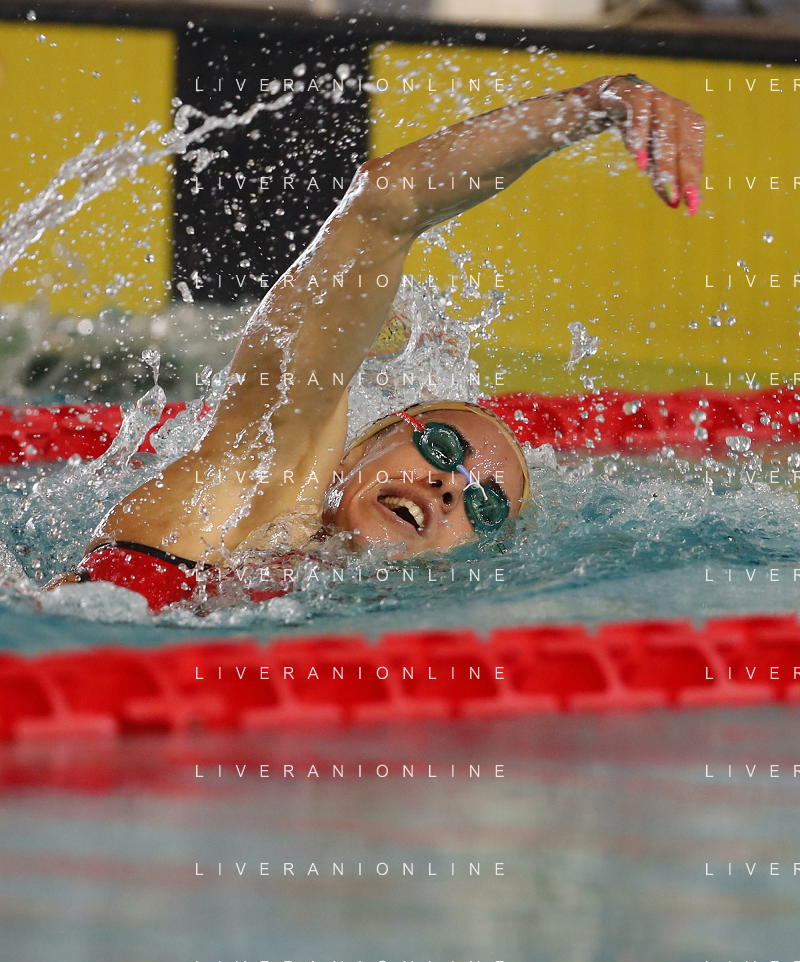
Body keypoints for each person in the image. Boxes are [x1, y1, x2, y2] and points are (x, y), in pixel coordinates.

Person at [51, 72, 704, 610]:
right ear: (360, 450)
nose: (450, 489)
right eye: (443, 447)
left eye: (483, 507)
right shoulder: (251, 484)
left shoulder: (348, 611)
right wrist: (596, 103)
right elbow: (387, 200)